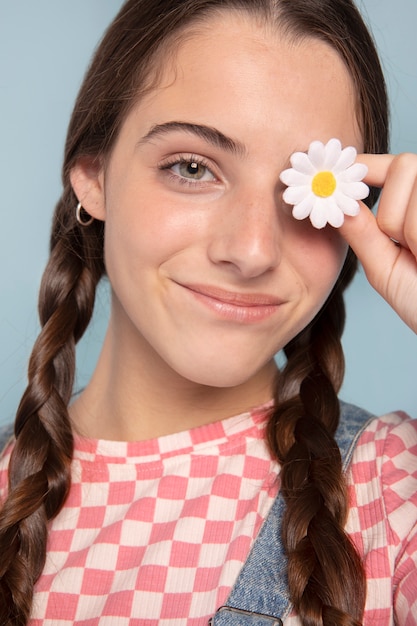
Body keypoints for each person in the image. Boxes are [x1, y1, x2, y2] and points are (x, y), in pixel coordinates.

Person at [0, 0, 416, 624]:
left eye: (308, 191)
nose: (251, 251)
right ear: (94, 176)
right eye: (192, 168)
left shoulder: (393, 493)